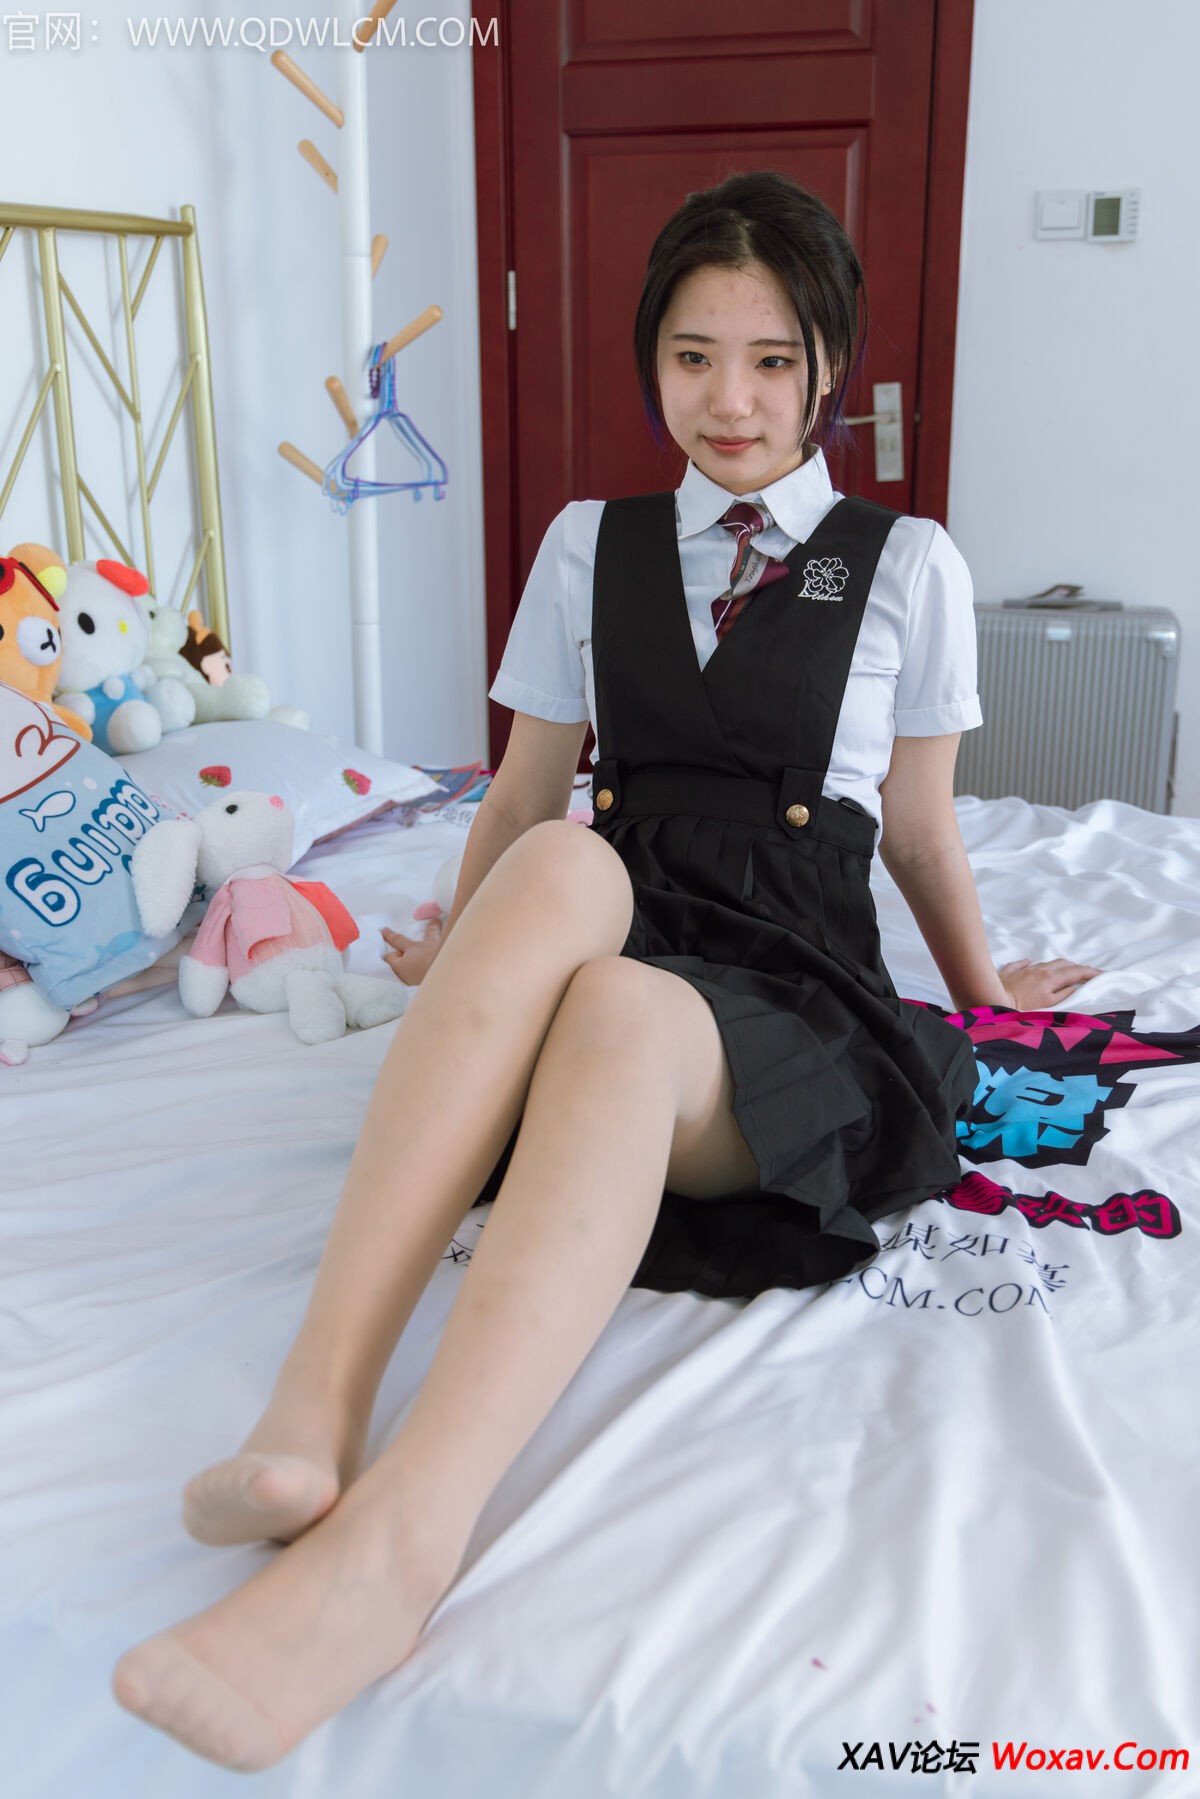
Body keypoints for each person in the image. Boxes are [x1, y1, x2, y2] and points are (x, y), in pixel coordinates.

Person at [110, 169, 1102, 1770]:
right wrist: (465, 951)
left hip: (785, 1003)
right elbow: (520, 798)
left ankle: (399, 1550)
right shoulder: (590, 548)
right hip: (614, 929)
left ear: (828, 368)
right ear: (651, 361)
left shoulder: (906, 563)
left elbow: (920, 826)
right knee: (570, 860)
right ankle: (312, 1414)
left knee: (626, 1012)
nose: (731, 400)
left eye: (771, 360)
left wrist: (986, 991)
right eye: (693, 356)